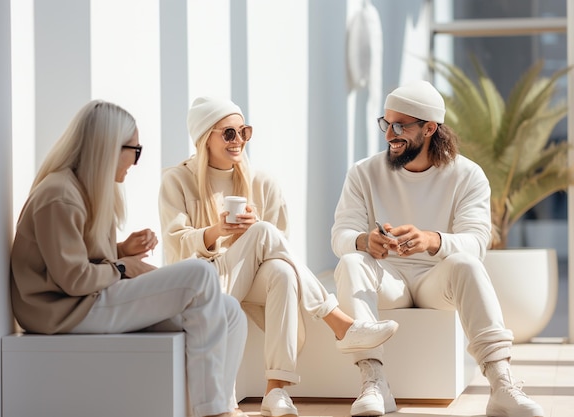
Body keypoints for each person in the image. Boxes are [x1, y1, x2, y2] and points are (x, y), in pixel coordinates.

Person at [158, 96, 399, 417]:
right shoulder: (177, 180)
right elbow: (177, 244)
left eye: (244, 131)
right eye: (228, 133)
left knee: (282, 272)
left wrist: (251, 241)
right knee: (262, 232)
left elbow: (279, 247)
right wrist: (218, 231)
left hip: (251, 277)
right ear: (205, 138)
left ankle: (276, 391)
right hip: (205, 281)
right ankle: (339, 322)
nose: (239, 140)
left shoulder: (261, 182)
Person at [9, 100, 248, 417]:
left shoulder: (84, 189)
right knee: (200, 274)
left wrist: (121, 249)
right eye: (134, 151)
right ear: (108, 146)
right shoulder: (60, 195)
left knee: (230, 311)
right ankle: (212, 411)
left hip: (85, 301)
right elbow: (74, 279)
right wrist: (122, 266)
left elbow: (74, 259)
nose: (135, 162)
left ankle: (221, 404)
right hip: (65, 311)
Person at [331, 80, 544, 417]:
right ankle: (373, 382)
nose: (389, 134)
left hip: (436, 281)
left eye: (400, 125)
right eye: (386, 123)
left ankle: (501, 384)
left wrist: (434, 240)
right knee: (353, 262)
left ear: (429, 128)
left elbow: (476, 243)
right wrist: (363, 240)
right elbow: (340, 233)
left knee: (467, 265)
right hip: (388, 278)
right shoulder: (363, 172)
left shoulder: (468, 175)